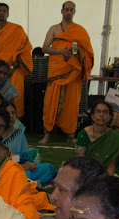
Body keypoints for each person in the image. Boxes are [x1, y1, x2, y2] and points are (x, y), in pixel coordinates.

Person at [39, 2, 94, 144]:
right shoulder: (54, 29)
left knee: (71, 105)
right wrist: (60, 51)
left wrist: (77, 54)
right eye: (66, 9)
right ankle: (46, 134)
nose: (69, 12)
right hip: (56, 72)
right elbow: (45, 48)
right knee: (50, 104)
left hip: (73, 73)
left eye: (71, 10)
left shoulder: (79, 31)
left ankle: (70, 136)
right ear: (62, 11)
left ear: (74, 12)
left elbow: (87, 52)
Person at [0, 3, 33, 118]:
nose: (1, 13)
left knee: (16, 98)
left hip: (15, 70)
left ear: (7, 14)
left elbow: (24, 50)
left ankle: (15, 123)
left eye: (4, 11)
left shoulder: (17, 30)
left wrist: (12, 67)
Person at [76, 101, 119, 177]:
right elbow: (80, 160)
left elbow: (111, 164)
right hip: (86, 171)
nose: (101, 115)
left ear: (110, 117)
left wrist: (107, 176)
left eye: (105, 112)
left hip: (107, 173)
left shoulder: (114, 137)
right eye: (98, 112)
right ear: (92, 116)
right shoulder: (83, 134)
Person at [1, 102, 57, 185]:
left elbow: (25, 155)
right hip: (4, 168)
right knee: (26, 174)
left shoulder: (18, 133)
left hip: (20, 164)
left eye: (13, 113)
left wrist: (28, 164)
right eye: (7, 113)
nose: (11, 116)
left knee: (48, 168)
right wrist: (18, 163)